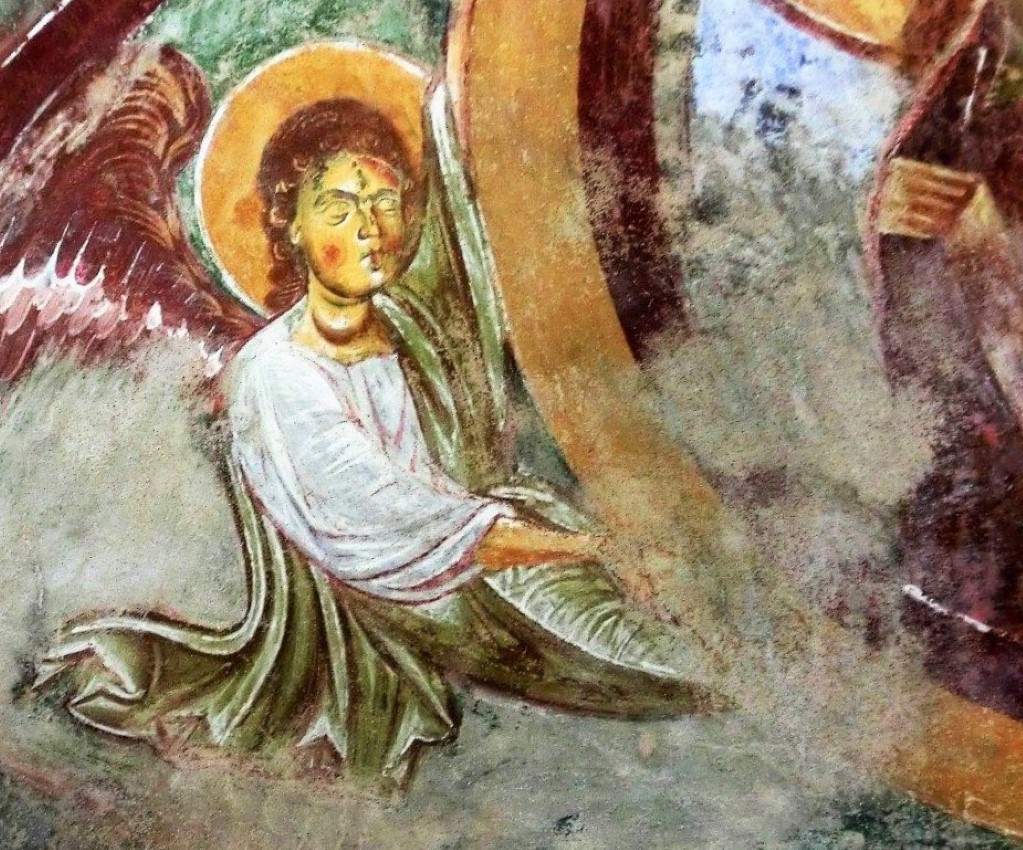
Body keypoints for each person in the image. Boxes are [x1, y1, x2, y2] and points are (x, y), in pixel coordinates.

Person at [34, 47, 723, 790]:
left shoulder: (411, 325)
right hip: (432, 591)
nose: (369, 228)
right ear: (289, 227)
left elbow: (456, 227)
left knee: (697, 608)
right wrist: (594, 549)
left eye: (385, 202)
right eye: (338, 209)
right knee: (656, 660)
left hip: (499, 538)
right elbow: (403, 523)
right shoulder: (278, 376)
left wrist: (468, 98)